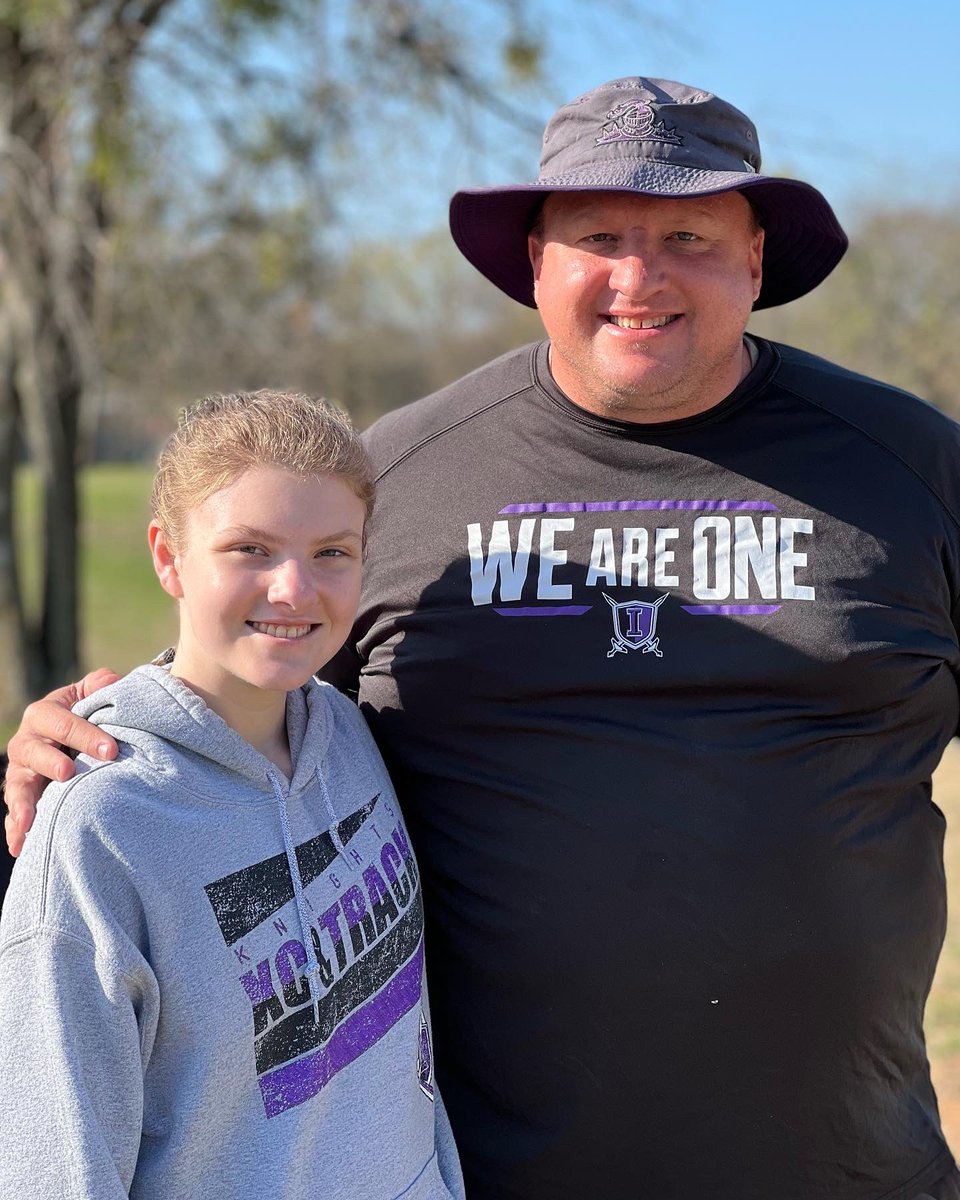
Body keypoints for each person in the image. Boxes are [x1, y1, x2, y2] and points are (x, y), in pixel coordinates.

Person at [6, 75, 960, 1200]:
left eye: (689, 235)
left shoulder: (914, 472)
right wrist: (95, 745)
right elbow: (269, 678)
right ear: (536, 266)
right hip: (493, 1171)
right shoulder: (403, 477)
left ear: (755, 258)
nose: (638, 277)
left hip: (845, 1168)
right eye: (597, 235)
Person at [0, 391, 463, 1199]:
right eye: (249, 549)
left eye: (332, 552)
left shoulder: (352, 738)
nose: (293, 589)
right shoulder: (102, 824)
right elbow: (60, 1162)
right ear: (168, 557)